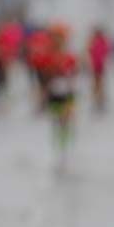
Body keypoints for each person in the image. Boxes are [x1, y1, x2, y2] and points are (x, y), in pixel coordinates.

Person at [42, 24, 78, 173]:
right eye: (54, 38)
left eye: (59, 39)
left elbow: (75, 75)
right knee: (56, 123)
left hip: (67, 94)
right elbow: (45, 76)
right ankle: (58, 152)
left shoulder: (69, 56)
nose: (57, 41)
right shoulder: (48, 56)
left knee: (65, 123)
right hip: (54, 94)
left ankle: (65, 153)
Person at [87, 26, 110, 112]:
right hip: (99, 65)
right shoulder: (103, 41)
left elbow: (90, 51)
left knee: (97, 83)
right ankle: (99, 100)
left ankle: (98, 100)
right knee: (99, 83)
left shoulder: (93, 41)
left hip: (96, 66)